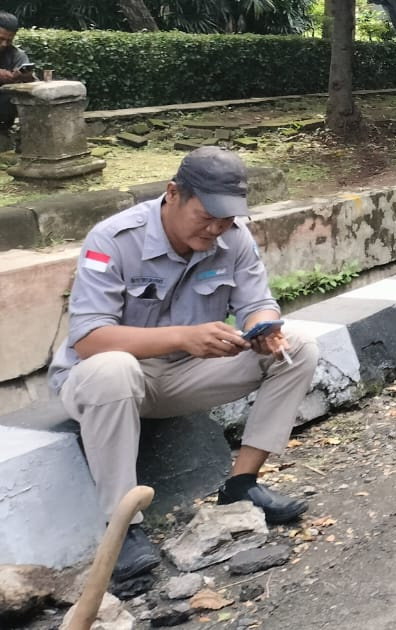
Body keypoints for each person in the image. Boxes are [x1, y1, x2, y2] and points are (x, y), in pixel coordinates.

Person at [50, 146, 320, 584]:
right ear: (173, 193)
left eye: (226, 219)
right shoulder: (113, 239)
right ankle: (123, 529)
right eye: (206, 217)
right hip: (107, 380)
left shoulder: (233, 237)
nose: (216, 229)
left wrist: (263, 327)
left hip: (183, 375)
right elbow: (89, 340)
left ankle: (241, 486)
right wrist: (182, 336)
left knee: (301, 347)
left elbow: (256, 302)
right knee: (113, 368)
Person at [0, 11, 37, 142]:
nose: (4, 44)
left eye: (8, 40)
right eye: (0, 39)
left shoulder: (16, 55)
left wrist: (27, 78)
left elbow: (33, 85)